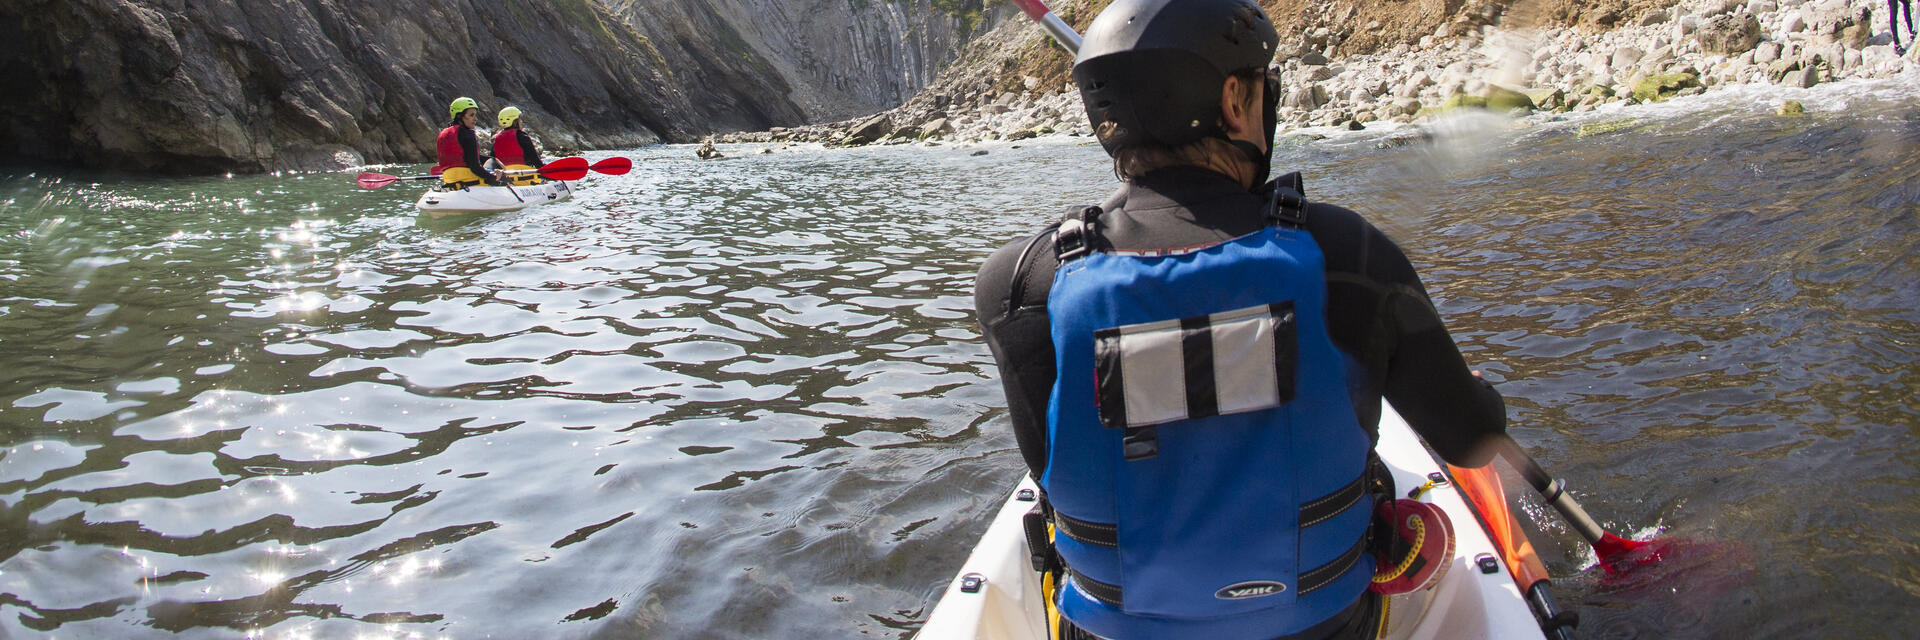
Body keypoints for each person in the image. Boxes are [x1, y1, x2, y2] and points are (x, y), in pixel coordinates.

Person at [970, 0, 1508, 638]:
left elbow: (1052, 470)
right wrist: (1475, 394)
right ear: (1233, 100)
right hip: (1324, 624)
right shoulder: (1348, 254)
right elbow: (1472, 441)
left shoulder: (1020, 282)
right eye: (1260, 86)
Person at [432, 97, 505, 188]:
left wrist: (491, 159)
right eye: (471, 115)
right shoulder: (467, 133)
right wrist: (493, 178)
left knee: (492, 159)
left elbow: (465, 157)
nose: (475, 119)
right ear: (459, 116)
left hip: (450, 181)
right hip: (470, 181)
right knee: (494, 164)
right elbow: (474, 166)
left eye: (475, 115)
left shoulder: (443, 134)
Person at [491, 106, 548, 186]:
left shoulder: (496, 139)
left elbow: (492, 161)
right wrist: (548, 171)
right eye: (519, 119)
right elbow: (536, 161)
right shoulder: (522, 137)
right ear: (515, 121)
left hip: (507, 178)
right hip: (525, 177)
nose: (521, 122)